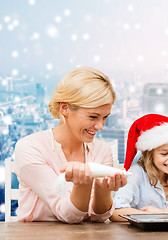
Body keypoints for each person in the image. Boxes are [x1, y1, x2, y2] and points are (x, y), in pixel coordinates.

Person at [14, 66, 127, 223]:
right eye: (93, 117)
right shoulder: (30, 147)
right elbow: (67, 215)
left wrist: (103, 189)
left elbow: (99, 217)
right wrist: (83, 184)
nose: (100, 126)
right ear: (65, 108)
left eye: (105, 117)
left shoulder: (102, 150)